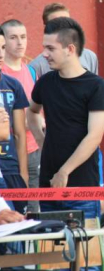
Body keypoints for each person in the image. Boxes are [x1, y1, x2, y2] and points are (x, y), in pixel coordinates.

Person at [27, 17, 104, 220]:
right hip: (48, 185)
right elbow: (31, 111)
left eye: (50, 48)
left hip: (81, 187)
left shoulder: (96, 86)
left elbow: (94, 137)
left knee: (84, 249)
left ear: (70, 49)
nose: (44, 55)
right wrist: (41, 140)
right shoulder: (46, 82)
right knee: (51, 249)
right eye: (43, 48)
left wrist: (64, 172)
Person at [1, 19, 40, 212]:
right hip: (8, 154)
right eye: (13, 37)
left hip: (32, 151)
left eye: (23, 37)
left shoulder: (31, 71)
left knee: (32, 212)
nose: (20, 42)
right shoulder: (3, 75)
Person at [0, 28, 29, 215]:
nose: (0, 53)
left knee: (17, 227)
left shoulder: (13, 85)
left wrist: (23, 172)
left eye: (2, 47)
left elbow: (19, 133)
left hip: (10, 166)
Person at [29, 3, 99, 77]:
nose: (64, 27)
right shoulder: (37, 66)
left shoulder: (89, 57)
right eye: (56, 24)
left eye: (67, 22)